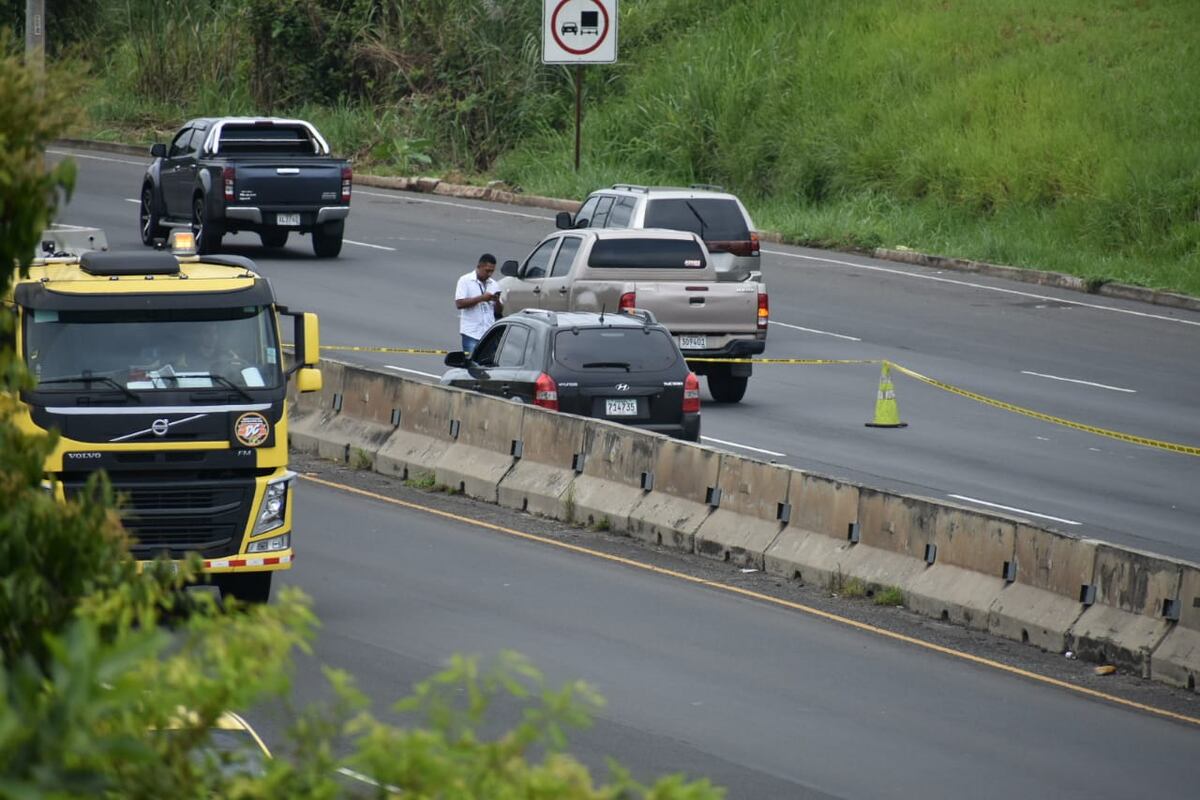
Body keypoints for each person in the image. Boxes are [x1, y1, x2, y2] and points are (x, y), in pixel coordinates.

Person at [454, 253, 503, 354]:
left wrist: (497, 300)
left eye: (492, 271)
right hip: (471, 333)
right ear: (479, 266)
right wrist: (482, 298)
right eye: (487, 271)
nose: (489, 274)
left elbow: (498, 312)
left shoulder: (494, 284)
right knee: (472, 366)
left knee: (487, 366)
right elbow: (459, 303)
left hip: (488, 334)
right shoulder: (465, 280)